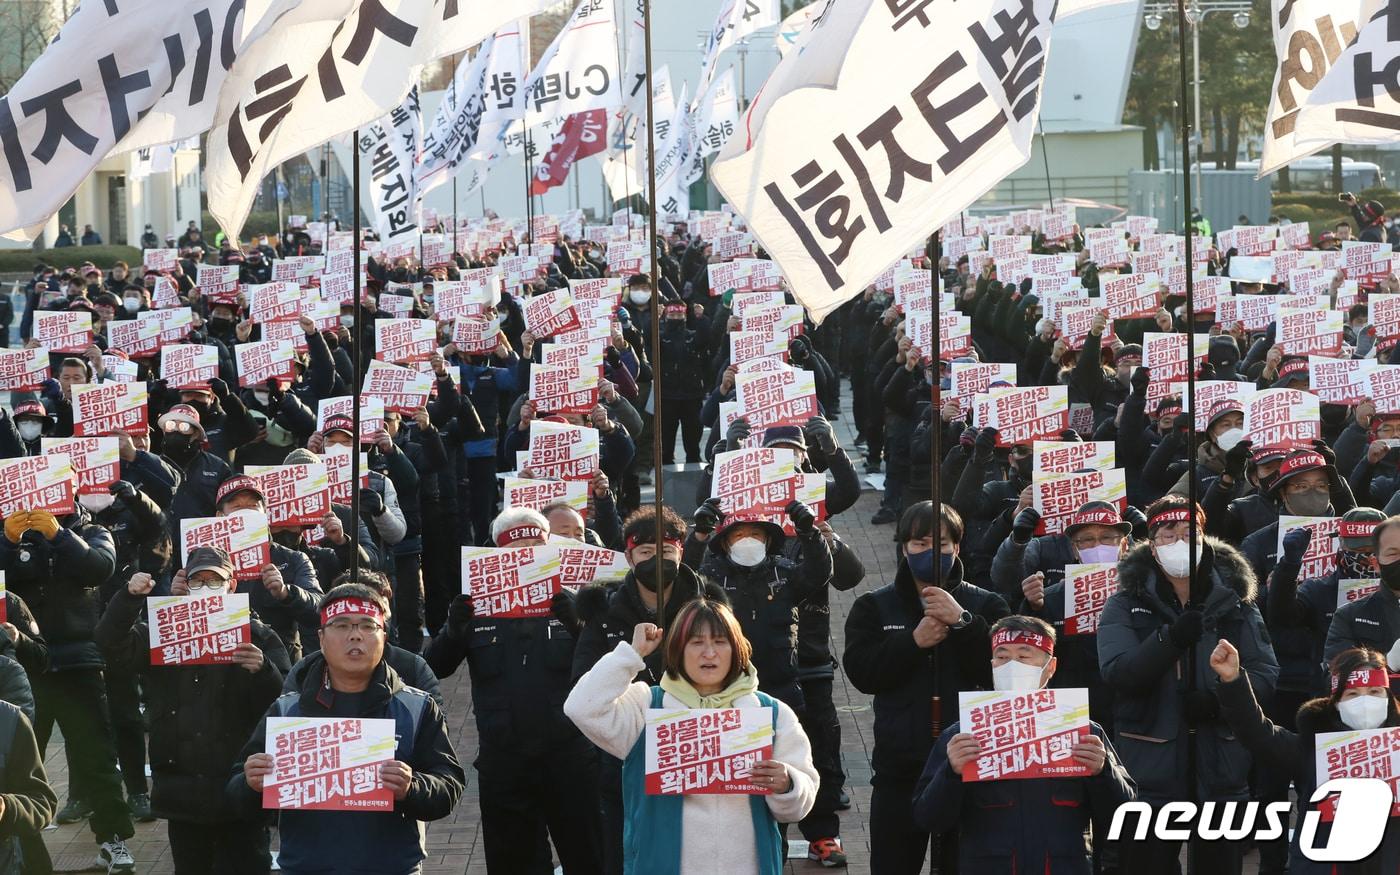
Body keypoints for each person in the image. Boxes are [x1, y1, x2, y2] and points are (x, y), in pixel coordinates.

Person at [564, 598, 818, 874]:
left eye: (720, 642)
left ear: (736, 649)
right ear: (677, 650)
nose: (709, 653)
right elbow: (581, 707)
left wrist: (788, 784)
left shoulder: (770, 712)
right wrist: (631, 655)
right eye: (696, 643)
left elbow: (799, 802)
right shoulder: (647, 706)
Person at [1096, 496, 1279, 874]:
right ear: (1152, 541)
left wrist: (1219, 701)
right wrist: (1170, 640)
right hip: (1149, 770)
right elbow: (1120, 672)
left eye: (1189, 532)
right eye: (1169, 533)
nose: (1180, 541)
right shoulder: (1124, 604)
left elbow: (1264, 673)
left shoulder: (1237, 603)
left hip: (1221, 768)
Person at [229, 583, 466, 874]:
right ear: (321, 638)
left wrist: (412, 787)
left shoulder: (416, 708)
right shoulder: (288, 711)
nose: (355, 635)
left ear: (384, 637)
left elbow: (449, 784)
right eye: (341, 625)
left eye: (367, 626)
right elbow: (237, 794)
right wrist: (251, 784)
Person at [422, 508, 604, 874]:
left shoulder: (574, 601)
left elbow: (606, 667)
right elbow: (435, 667)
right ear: (498, 554)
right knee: (513, 865)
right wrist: (454, 629)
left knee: (590, 859)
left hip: (569, 757)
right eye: (517, 550)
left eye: (536, 548)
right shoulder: (477, 607)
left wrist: (579, 623)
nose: (527, 558)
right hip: (504, 762)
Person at [94, 548, 291, 874]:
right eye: (199, 580)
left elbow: (286, 701)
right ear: (185, 584)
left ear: (232, 584)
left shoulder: (257, 634)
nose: (207, 587)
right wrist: (128, 598)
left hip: (238, 789)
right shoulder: (164, 630)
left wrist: (264, 670)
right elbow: (110, 645)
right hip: (182, 790)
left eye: (215, 580)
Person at [843, 502, 1008, 873]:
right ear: (903, 547)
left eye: (942, 543)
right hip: (900, 767)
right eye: (919, 543)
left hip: (970, 764)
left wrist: (964, 624)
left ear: (958, 547)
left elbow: (1003, 671)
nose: (931, 552)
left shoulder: (986, 603)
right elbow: (862, 674)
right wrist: (911, 643)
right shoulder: (874, 606)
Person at [912, 615, 1136, 873]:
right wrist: (951, 773)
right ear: (992, 665)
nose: (1011, 665)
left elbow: (1126, 815)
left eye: (1024, 656)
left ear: (1050, 668)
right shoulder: (963, 735)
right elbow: (928, 818)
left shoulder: (1083, 731)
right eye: (1002, 656)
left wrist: (1103, 772)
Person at [0, 504, 135, 872]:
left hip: (78, 658)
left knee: (97, 755)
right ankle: (24, 846)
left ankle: (113, 840)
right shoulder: (10, 529)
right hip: (22, 663)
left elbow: (101, 567)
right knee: (18, 761)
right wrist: (9, 541)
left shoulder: (89, 529)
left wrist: (59, 535)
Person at [1211, 641, 1400, 871]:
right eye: (1352, 694)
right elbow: (1259, 735)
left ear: (1387, 698)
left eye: (1374, 692)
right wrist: (1233, 682)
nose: (1365, 703)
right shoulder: (1313, 749)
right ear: (1337, 703)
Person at [1324, 514, 1400, 662]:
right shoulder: (1349, 616)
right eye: (1393, 553)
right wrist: (1388, 663)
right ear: (1376, 563)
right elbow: (1334, 677)